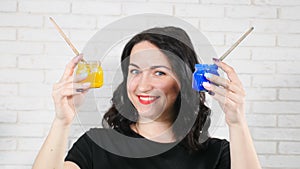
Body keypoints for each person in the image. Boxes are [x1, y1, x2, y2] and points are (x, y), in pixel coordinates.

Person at [32, 27, 261, 169]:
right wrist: (62, 121)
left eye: (159, 72)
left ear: (184, 80)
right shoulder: (95, 146)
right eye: (135, 71)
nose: (142, 84)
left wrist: (237, 122)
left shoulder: (216, 154)